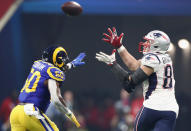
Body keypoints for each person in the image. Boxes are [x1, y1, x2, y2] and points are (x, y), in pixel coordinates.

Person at [96, 27, 179, 131]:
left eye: (149, 42)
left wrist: (113, 64)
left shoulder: (152, 59)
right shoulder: (166, 59)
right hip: (170, 110)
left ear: (157, 45)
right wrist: (119, 47)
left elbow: (130, 84)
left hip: (152, 107)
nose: (146, 44)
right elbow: (134, 65)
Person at [10, 45, 86, 131]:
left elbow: (53, 70)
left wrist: (71, 65)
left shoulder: (38, 64)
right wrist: (70, 114)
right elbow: (56, 100)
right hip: (30, 113)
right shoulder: (52, 74)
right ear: (58, 60)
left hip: (16, 113)